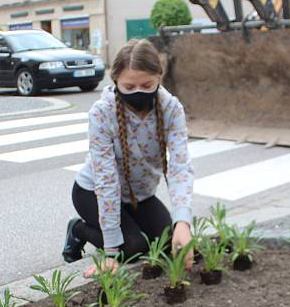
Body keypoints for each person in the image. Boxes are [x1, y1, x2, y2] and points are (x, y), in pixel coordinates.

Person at [62, 39, 194, 272]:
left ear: (159, 77)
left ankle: (130, 230)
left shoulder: (171, 109)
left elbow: (180, 168)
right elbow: (106, 180)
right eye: (129, 87)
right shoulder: (102, 113)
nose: (139, 93)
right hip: (92, 192)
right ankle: (78, 229)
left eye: (147, 84)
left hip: (139, 195)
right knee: (133, 248)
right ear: (116, 82)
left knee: (170, 245)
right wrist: (112, 251)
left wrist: (183, 222)